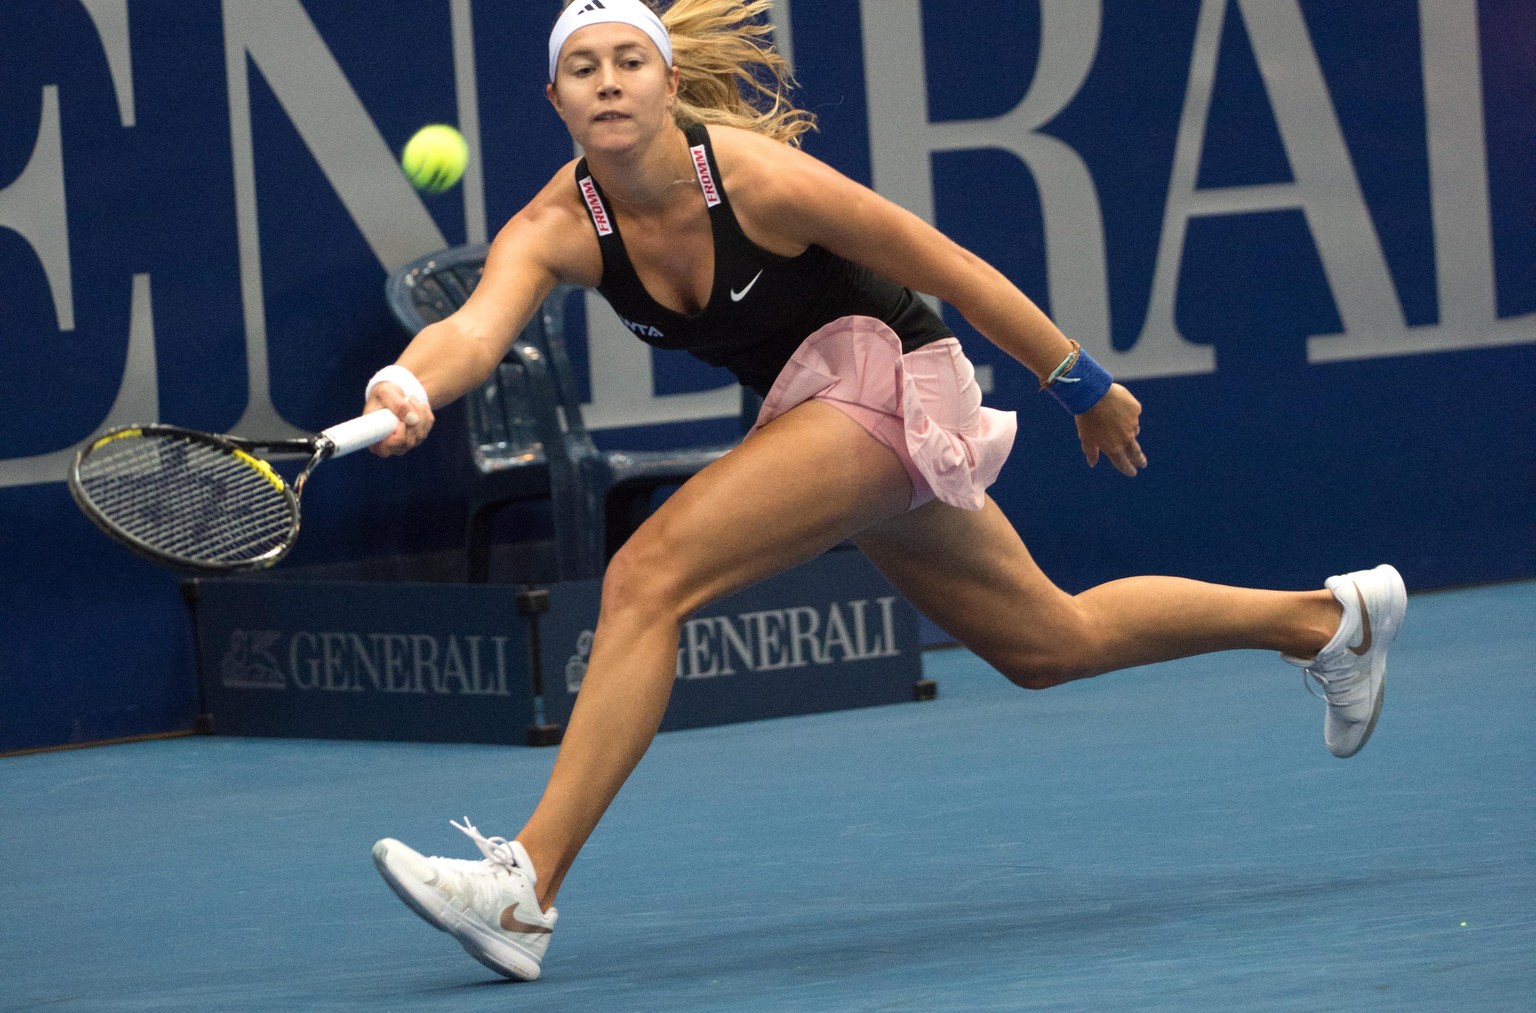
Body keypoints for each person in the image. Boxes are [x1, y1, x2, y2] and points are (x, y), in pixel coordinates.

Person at [364, 0, 1407, 982]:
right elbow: (472, 329)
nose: (607, 84)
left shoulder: (756, 180)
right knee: (1052, 642)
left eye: (629, 62)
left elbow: (942, 260)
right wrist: (411, 382)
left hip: (887, 377)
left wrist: (1080, 382)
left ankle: (524, 886)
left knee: (649, 574)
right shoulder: (558, 222)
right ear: (555, 101)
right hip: (819, 413)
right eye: (581, 70)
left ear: (668, 82)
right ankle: (1327, 620)